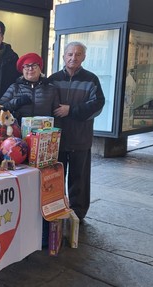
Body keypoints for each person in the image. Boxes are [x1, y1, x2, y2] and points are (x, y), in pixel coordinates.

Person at [49, 41, 105, 221]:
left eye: (78, 54)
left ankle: (78, 215)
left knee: (79, 179)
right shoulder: (53, 79)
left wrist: (70, 110)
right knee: (55, 178)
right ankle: (56, 211)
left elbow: (97, 105)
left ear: (84, 57)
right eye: (70, 54)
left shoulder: (91, 79)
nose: (73, 58)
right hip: (56, 139)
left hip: (80, 138)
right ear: (64, 56)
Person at [0, 52, 60, 130]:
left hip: (43, 135)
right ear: (22, 70)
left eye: (34, 65)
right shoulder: (15, 87)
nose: (30, 69)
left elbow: (57, 114)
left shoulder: (50, 88)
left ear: (40, 68)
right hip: (17, 134)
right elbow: (0, 109)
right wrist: (16, 102)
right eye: (26, 66)